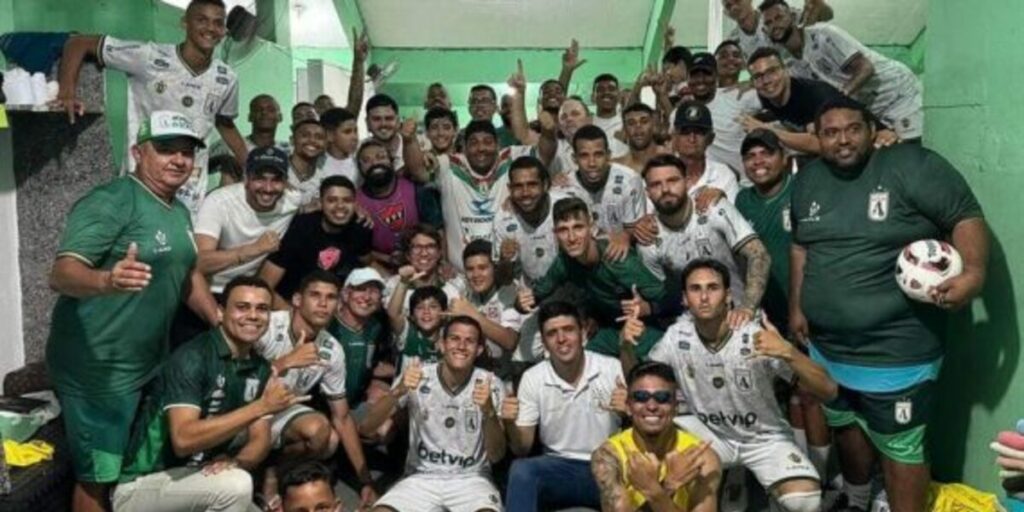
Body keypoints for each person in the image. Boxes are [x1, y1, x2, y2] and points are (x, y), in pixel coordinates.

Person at [789, 98, 990, 512]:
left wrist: (973, 273)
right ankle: (858, 498)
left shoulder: (911, 166)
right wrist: (797, 305)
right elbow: (800, 249)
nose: (843, 139)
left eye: (853, 128)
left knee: (902, 448)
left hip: (897, 351)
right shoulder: (807, 181)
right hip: (828, 347)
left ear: (871, 129)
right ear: (817, 138)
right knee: (846, 425)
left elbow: (964, 215)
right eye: (830, 132)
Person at [46, 111, 219, 512]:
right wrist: (107, 281)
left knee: (132, 469)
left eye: (186, 153)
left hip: (148, 363)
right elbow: (61, 273)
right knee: (97, 479)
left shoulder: (176, 209)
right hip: (99, 372)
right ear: (138, 152)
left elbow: (187, 273)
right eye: (165, 150)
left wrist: (219, 321)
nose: (178, 160)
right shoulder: (111, 201)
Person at [646, 259, 837, 512]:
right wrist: (626, 348)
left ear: (727, 295)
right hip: (711, 434)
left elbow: (829, 390)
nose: (704, 297)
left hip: (763, 437)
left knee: (804, 500)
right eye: (696, 289)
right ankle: (720, 483)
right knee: (649, 453)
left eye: (712, 288)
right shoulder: (676, 337)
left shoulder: (755, 336)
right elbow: (645, 383)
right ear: (684, 298)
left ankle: (766, 491)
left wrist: (789, 352)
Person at [111, 276, 304, 512]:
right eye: (242, 307)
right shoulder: (194, 357)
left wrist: (236, 462)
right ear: (221, 312)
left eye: (262, 309)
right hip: (144, 485)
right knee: (237, 485)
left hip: (198, 478)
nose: (253, 315)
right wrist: (261, 407)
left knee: (238, 481)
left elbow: (260, 440)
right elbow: (183, 440)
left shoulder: (260, 367)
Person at [55, 0, 247, 216]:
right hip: (144, 180)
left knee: (183, 248)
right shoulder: (149, 57)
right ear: (185, 23)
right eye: (201, 20)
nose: (210, 28)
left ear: (224, 31)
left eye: (217, 23)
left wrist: (252, 165)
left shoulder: (227, 78)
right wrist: (66, 92)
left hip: (190, 190)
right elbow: (79, 43)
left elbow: (224, 122)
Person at [734, 128, 835, 494]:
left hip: (805, 311)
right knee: (788, 395)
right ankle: (802, 471)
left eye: (766, 153)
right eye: (750, 156)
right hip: (765, 313)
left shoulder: (802, 189)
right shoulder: (742, 201)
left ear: (784, 157)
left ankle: (822, 477)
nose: (758, 162)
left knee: (810, 393)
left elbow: (827, 150)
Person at [253, 271, 376, 510]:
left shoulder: (331, 348)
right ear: (298, 300)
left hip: (280, 411)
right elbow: (237, 380)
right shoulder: (268, 324)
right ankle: (252, 474)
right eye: (315, 295)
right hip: (245, 406)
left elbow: (341, 417)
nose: (323, 303)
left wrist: (365, 481)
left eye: (331, 297)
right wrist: (285, 362)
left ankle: (271, 473)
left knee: (327, 437)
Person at [361, 316, 507, 512]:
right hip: (421, 476)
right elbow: (366, 428)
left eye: (470, 341)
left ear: (479, 349)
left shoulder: (490, 383)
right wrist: (397, 391)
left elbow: (497, 455)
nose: (461, 346)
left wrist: (488, 410)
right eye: (454, 338)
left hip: (471, 479)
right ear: (441, 344)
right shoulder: (418, 375)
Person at [503, 301, 626, 511]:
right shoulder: (533, 378)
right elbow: (522, 447)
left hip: (607, 465)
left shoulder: (611, 368)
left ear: (583, 332)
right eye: (552, 334)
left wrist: (628, 412)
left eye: (568, 330)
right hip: (558, 467)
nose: (561, 339)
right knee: (522, 470)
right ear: (543, 341)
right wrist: (509, 423)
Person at [760, 0, 923, 141]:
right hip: (874, 111)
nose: (774, 25)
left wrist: (837, 101)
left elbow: (866, 68)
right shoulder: (789, 65)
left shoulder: (824, 34)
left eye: (779, 17)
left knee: (916, 150)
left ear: (793, 17)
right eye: (768, 23)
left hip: (898, 94)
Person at [638, 154, 770, 324]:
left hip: (742, 318)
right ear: (647, 192)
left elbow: (759, 255)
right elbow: (667, 296)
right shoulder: (649, 239)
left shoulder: (712, 207)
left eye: (672, 180)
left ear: (686, 182)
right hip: (695, 328)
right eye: (656, 184)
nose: (665, 189)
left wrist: (747, 308)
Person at [590, 361, 722, 512]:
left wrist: (653, 491)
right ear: (628, 407)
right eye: (641, 397)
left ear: (676, 407)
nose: (651, 406)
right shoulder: (609, 456)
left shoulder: (701, 458)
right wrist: (667, 486)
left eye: (662, 397)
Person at [517, 197, 665, 328]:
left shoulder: (618, 259)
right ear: (555, 234)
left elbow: (671, 300)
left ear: (591, 227)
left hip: (646, 325)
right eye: (563, 230)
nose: (572, 237)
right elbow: (536, 296)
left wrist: (650, 308)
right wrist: (521, 303)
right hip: (609, 326)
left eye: (578, 227)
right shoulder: (564, 262)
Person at [412, 120, 537, 271]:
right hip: (461, 276)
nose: (481, 148)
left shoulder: (510, 158)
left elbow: (545, 152)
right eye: (474, 143)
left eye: (488, 142)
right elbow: (418, 173)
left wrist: (548, 132)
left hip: (507, 272)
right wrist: (408, 140)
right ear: (464, 147)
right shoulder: (448, 165)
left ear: (498, 145)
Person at [195, 147, 301, 296]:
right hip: (206, 288)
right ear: (246, 179)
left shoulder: (293, 202)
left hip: (249, 292)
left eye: (276, 180)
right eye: (260, 178)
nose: (268, 188)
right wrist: (254, 249)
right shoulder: (219, 202)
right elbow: (199, 263)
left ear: (285, 182)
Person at [259, 175, 373, 308]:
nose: (340, 206)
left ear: (355, 204)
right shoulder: (301, 227)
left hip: (331, 304)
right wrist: (292, 315)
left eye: (347, 200)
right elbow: (264, 284)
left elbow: (367, 263)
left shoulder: (360, 228)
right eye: (332, 200)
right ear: (321, 203)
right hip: (290, 301)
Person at [355, 140, 440, 273]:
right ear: (360, 168)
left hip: (426, 266)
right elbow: (359, 251)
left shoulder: (416, 189)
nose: (375, 163)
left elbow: (437, 230)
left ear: (391, 161)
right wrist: (388, 259)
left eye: (380, 157)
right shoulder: (356, 203)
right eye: (366, 160)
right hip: (381, 271)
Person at [565, 125, 648, 259]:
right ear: (574, 158)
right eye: (584, 156)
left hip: (622, 256)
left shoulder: (630, 180)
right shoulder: (564, 188)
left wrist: (626, 236)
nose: (592, 163)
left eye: (598, 154)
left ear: (608, 155)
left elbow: (638, 227)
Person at [451, 240, 525, 377]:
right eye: (470, 269)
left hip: (506, 377)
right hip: (473, 374)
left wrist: (473, 315)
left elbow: (510, 341)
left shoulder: (509, 292)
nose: (476, 275)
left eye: (482, 268)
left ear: (494, 268)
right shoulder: (465, 293)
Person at [686, 52, 763, 182]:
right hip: (706, 187)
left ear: (716, 76)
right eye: (695, 75)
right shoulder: (683, 112)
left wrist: (754, 82)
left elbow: (779, 101)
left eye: (706, 74)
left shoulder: (738, 96)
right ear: (687, 79)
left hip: (744, 184)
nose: (700, 79)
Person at [328, 268, 390, 410]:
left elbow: (375, 365)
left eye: (374, 291)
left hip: (355, 403)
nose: (367, 297)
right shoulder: (327, 325)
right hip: (323, 408)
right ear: (345, 294)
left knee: (385, 422)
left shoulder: (377, 327)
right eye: (360, 289)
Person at [670, 101, 739, 206]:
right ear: (674, 136)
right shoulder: (659, 174)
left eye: (699, 132)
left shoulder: (724, 175)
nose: (692, 138)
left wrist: (723, 203)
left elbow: (732, 220)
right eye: (685, 131)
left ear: (710, 138)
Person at [721, 0, 833, 59]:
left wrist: (818, 5)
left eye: (737, 0)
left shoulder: (774, 14)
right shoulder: (733, 42)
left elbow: (826, 16)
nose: (734, 7)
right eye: (728, 5)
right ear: (726, 13)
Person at [613, 103, 669, 174]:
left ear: (654, 126)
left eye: (644, 121)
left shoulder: (671, 158)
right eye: (631, 123)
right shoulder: (618, 167)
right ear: (624, 130)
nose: (638, 127)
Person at [287, 116, 330, 208]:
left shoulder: (324, 180)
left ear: (326, 145)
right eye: (305, 135)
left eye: (319, 137)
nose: (312, 140)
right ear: (292, 140)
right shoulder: (276, 170)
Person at [591, 73, 630, 158]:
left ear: (619, 95)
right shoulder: (586, 123)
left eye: (611, 89)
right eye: (600, 89)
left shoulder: (628, 123)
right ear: (593, 97)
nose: (606, 92)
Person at [320, 107, 361, 186]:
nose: (354, 137)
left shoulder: (360, 163)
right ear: (330, 135)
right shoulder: (317, 165)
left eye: (355, 131)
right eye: (347, 132)